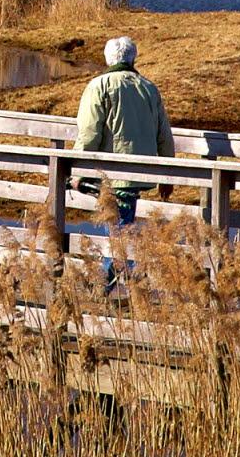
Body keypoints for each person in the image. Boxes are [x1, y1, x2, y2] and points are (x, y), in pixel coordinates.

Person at [75, 36, 175, 288]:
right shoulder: (148, 88)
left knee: (120, 228)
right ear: (133, 59)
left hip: (112, 172)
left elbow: (89, 132)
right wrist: (168, 175)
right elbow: (164, 134)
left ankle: (111, 282)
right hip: (139, 170)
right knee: (122, 225)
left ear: (108, 59)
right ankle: (121, 279)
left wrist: (75, 169)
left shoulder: (99, 86)